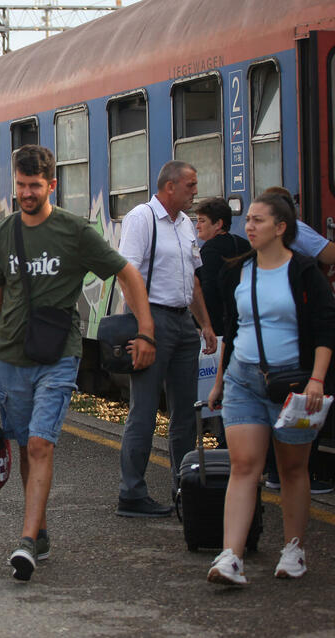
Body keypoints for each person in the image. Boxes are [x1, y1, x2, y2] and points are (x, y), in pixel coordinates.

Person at [0, 145, 156, 581]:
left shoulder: (74, 231)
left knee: (40, 444)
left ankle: (27, 541)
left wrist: (145, 329)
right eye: (21, 186)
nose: (27, 194)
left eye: (35, 186)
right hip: (10, 356)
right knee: (26, 446)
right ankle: (41, 529)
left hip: (58, 354)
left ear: (52, 185)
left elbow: (128, 274)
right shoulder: (5, 233)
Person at [205, 193, 335, 586]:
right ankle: (231, 556)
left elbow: (325, 330)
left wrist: (317, 379)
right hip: (243, 380)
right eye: (248, 220)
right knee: (244, 467)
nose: (249, 226)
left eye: (258, 221)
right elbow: (232, 327)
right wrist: (219, 380)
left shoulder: (305, 272)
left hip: (295, 385)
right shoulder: (237, 271)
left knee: (293, 469)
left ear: (281, 228)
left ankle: (293, 549)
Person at [117, 160, 218, 518]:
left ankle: (183, 486)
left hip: (182, 322)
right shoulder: (142, 219)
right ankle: (131, 493)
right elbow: (127, 277)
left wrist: (204, 323)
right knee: (143, 411)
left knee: (185, 413)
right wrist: (145, 329)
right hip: (152, 318)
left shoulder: (186, 226)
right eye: (190, 185)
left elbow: (192, 280)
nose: (195, 191)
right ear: (170, 186)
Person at [260, 186, 335, 494]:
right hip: (299, 329)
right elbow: (334, 255)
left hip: (274, 333)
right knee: (305, 398)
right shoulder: (296, 231)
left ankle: (275, 471)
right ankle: (294, 473)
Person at [195, 197, 251, 336]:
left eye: (202, 221)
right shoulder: (244, 244)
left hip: (219, 327)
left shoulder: (209, 250)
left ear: (218, 224)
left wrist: (202, 324)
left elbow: (208, 291)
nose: (197, 225)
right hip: (243, 320)